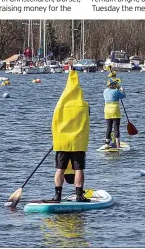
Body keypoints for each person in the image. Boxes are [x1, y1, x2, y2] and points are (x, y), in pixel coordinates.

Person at [51, 69, 90, 202]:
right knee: (78, 169)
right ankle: (79, 195)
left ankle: (57, 195)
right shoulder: (84, 105)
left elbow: (55, 121)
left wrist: (57, 138)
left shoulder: (60, 105)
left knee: (60, 168)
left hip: (62, 141)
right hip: (78, 142)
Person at [102, 77, 126, 149]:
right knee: (116, 128)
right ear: (113, 84)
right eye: (115, 84)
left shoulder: (105, 91)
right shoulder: (116, 91)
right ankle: (118, 144)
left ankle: (107, 144)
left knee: (108, 128)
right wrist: (122, 90)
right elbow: (123, 96)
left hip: (107, 111)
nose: (116, 85)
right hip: (115, 111)